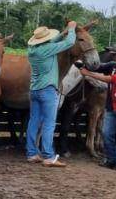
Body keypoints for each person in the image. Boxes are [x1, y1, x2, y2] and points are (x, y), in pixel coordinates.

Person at [25, 21, 77, 167]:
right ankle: (48, 156)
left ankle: (31, 153)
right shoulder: (48, 49)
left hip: (34, 89)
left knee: (34, 121)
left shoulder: (32, 50)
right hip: (47, 90)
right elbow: (70, 43)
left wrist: (63, 32)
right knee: (49, 123)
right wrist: (71, 29)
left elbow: (51, 41)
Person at [79, 47, 116, 171]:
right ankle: (111, 159)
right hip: (113, 106)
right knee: (107, 134)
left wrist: (88, 73)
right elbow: (98, 67)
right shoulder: (113, 66)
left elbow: (110, 79)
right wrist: (81, 64)